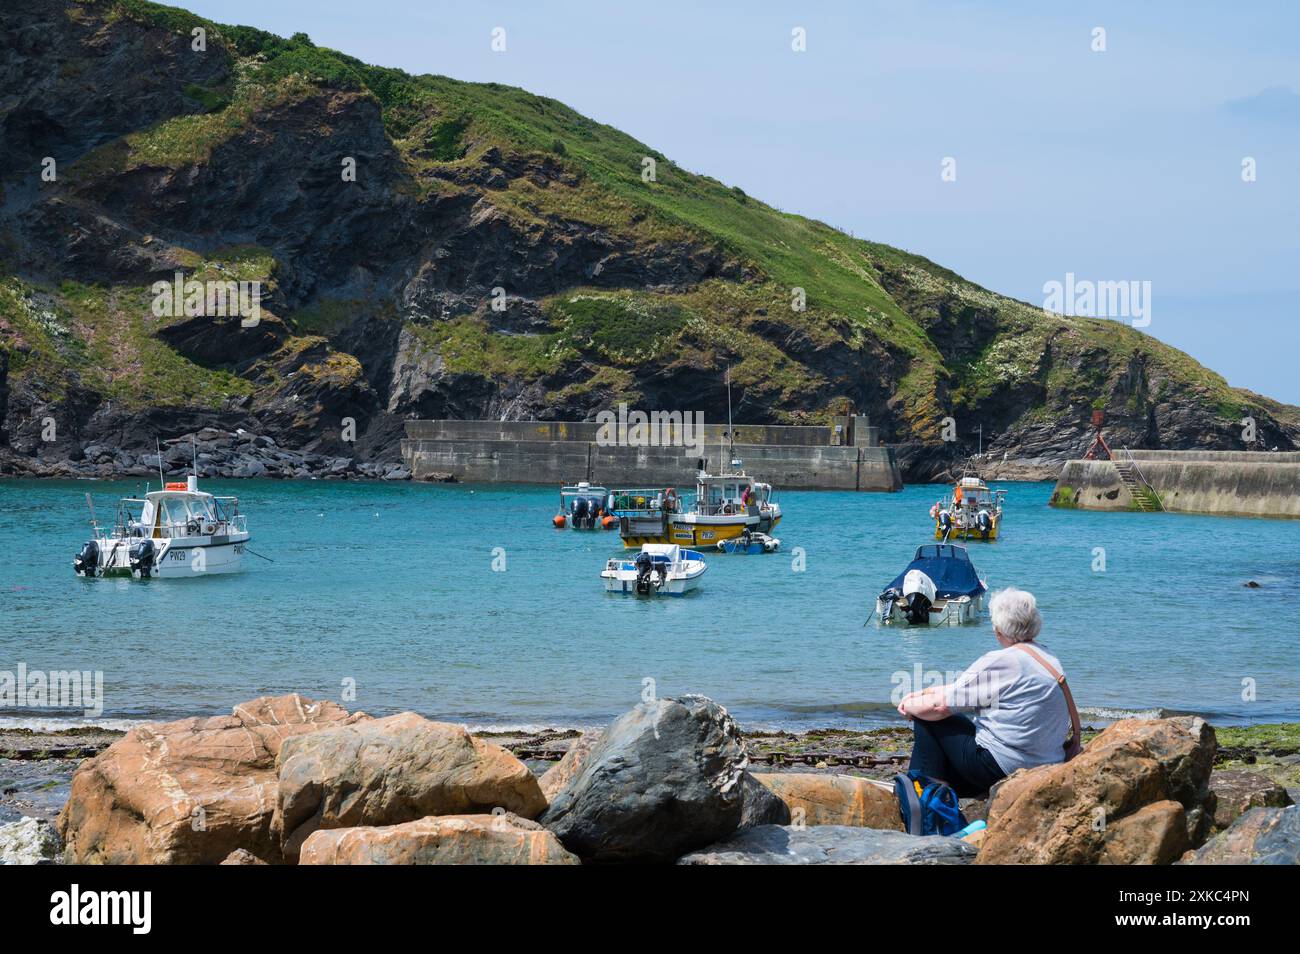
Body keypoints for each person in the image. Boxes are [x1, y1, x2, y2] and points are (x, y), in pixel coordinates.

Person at [895, 587, 1073, 797]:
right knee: (939, 716)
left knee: (928, 718)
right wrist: (920, 694)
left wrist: (909, 706)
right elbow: (961, 688)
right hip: (1045, 762)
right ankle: (933, 794)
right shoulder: (1047, 657)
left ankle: (923, 800)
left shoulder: (1004, 660)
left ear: (998, 630)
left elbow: (940, 707)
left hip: (1004, 766)